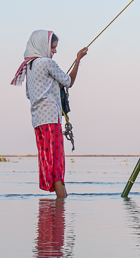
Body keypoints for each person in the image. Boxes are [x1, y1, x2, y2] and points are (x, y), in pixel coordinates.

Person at [11, 30, 88, 198]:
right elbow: (68, 81)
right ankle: (62, 203)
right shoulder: (47, 63)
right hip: (51, 119)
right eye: (53, 48)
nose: (54, 51)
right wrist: (78, 59)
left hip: (38, 121)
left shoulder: (29, 66)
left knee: (48, 161)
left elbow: (30, 94)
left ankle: (57, 209)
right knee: (57, 163)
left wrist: (52, 86)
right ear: (42, 46)